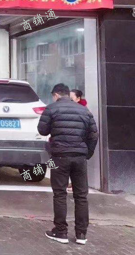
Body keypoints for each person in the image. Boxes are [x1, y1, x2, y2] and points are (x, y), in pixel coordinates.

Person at [37, 83, 98, 246]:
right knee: (81, 196)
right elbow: (93, 135)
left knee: (60, 194)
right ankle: (81, 234)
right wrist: (86, 154)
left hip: (60, 156)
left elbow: (42, 130)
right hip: (79, 157)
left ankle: (61, 232)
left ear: (56, 95)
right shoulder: (84, 110)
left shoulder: (51, 109)